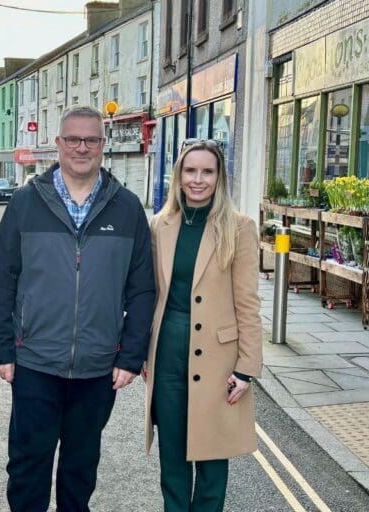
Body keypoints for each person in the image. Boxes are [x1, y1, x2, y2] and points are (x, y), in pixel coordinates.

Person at [0, 106, 155, 512]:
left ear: (103, 145)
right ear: (58, 145)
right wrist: (1, 349)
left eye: (92, 140)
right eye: (73, 139)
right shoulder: (26, 203)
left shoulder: (127, 208)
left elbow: (142, 290)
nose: (82, 148)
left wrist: (131, 357)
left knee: (81, 468)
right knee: (28, 465)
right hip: (35, 362)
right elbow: (1, 279)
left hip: (98, 365)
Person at [144, 139, 263, 511]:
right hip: (167, 353)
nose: (198, 180)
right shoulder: (158, 226)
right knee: (173, 458)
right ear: (178, 176)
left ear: (219, 177)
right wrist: (141, 354)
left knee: (213, 460)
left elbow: (248, 304)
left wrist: (247, 368)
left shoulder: (239, 228)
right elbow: (149, 296)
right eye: (190, 171)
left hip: (219, 358)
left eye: (207, 171)